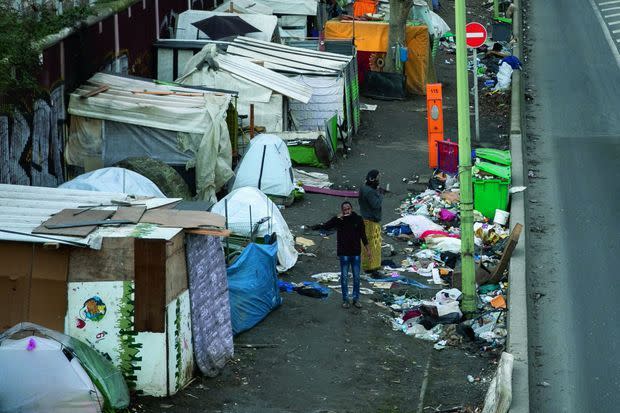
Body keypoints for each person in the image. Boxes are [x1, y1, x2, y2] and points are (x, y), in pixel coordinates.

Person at [311, 201, 370, 308]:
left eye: (348, 209)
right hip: (344, 253)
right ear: (342, 210)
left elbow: (363, 235)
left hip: (356, 252)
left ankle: (356, 299)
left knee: (356, 277)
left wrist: (368, 250)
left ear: (351, 209)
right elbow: (326, 226)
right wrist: (337, 218)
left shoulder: (358, 219)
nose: (347, 211)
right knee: (344, 277)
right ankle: (346, 300)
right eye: (344, 209)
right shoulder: (339, 220)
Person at [358, 169, 383, 275]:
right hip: (371, 221)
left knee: (370, 243)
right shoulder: (370, 192)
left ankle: (371, 265)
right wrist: (381, 194)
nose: (378, 181)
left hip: (366, 219)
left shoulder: (364, 188)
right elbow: (376, 205)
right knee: (372, 244)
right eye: (378, 178)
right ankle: (370, 267)